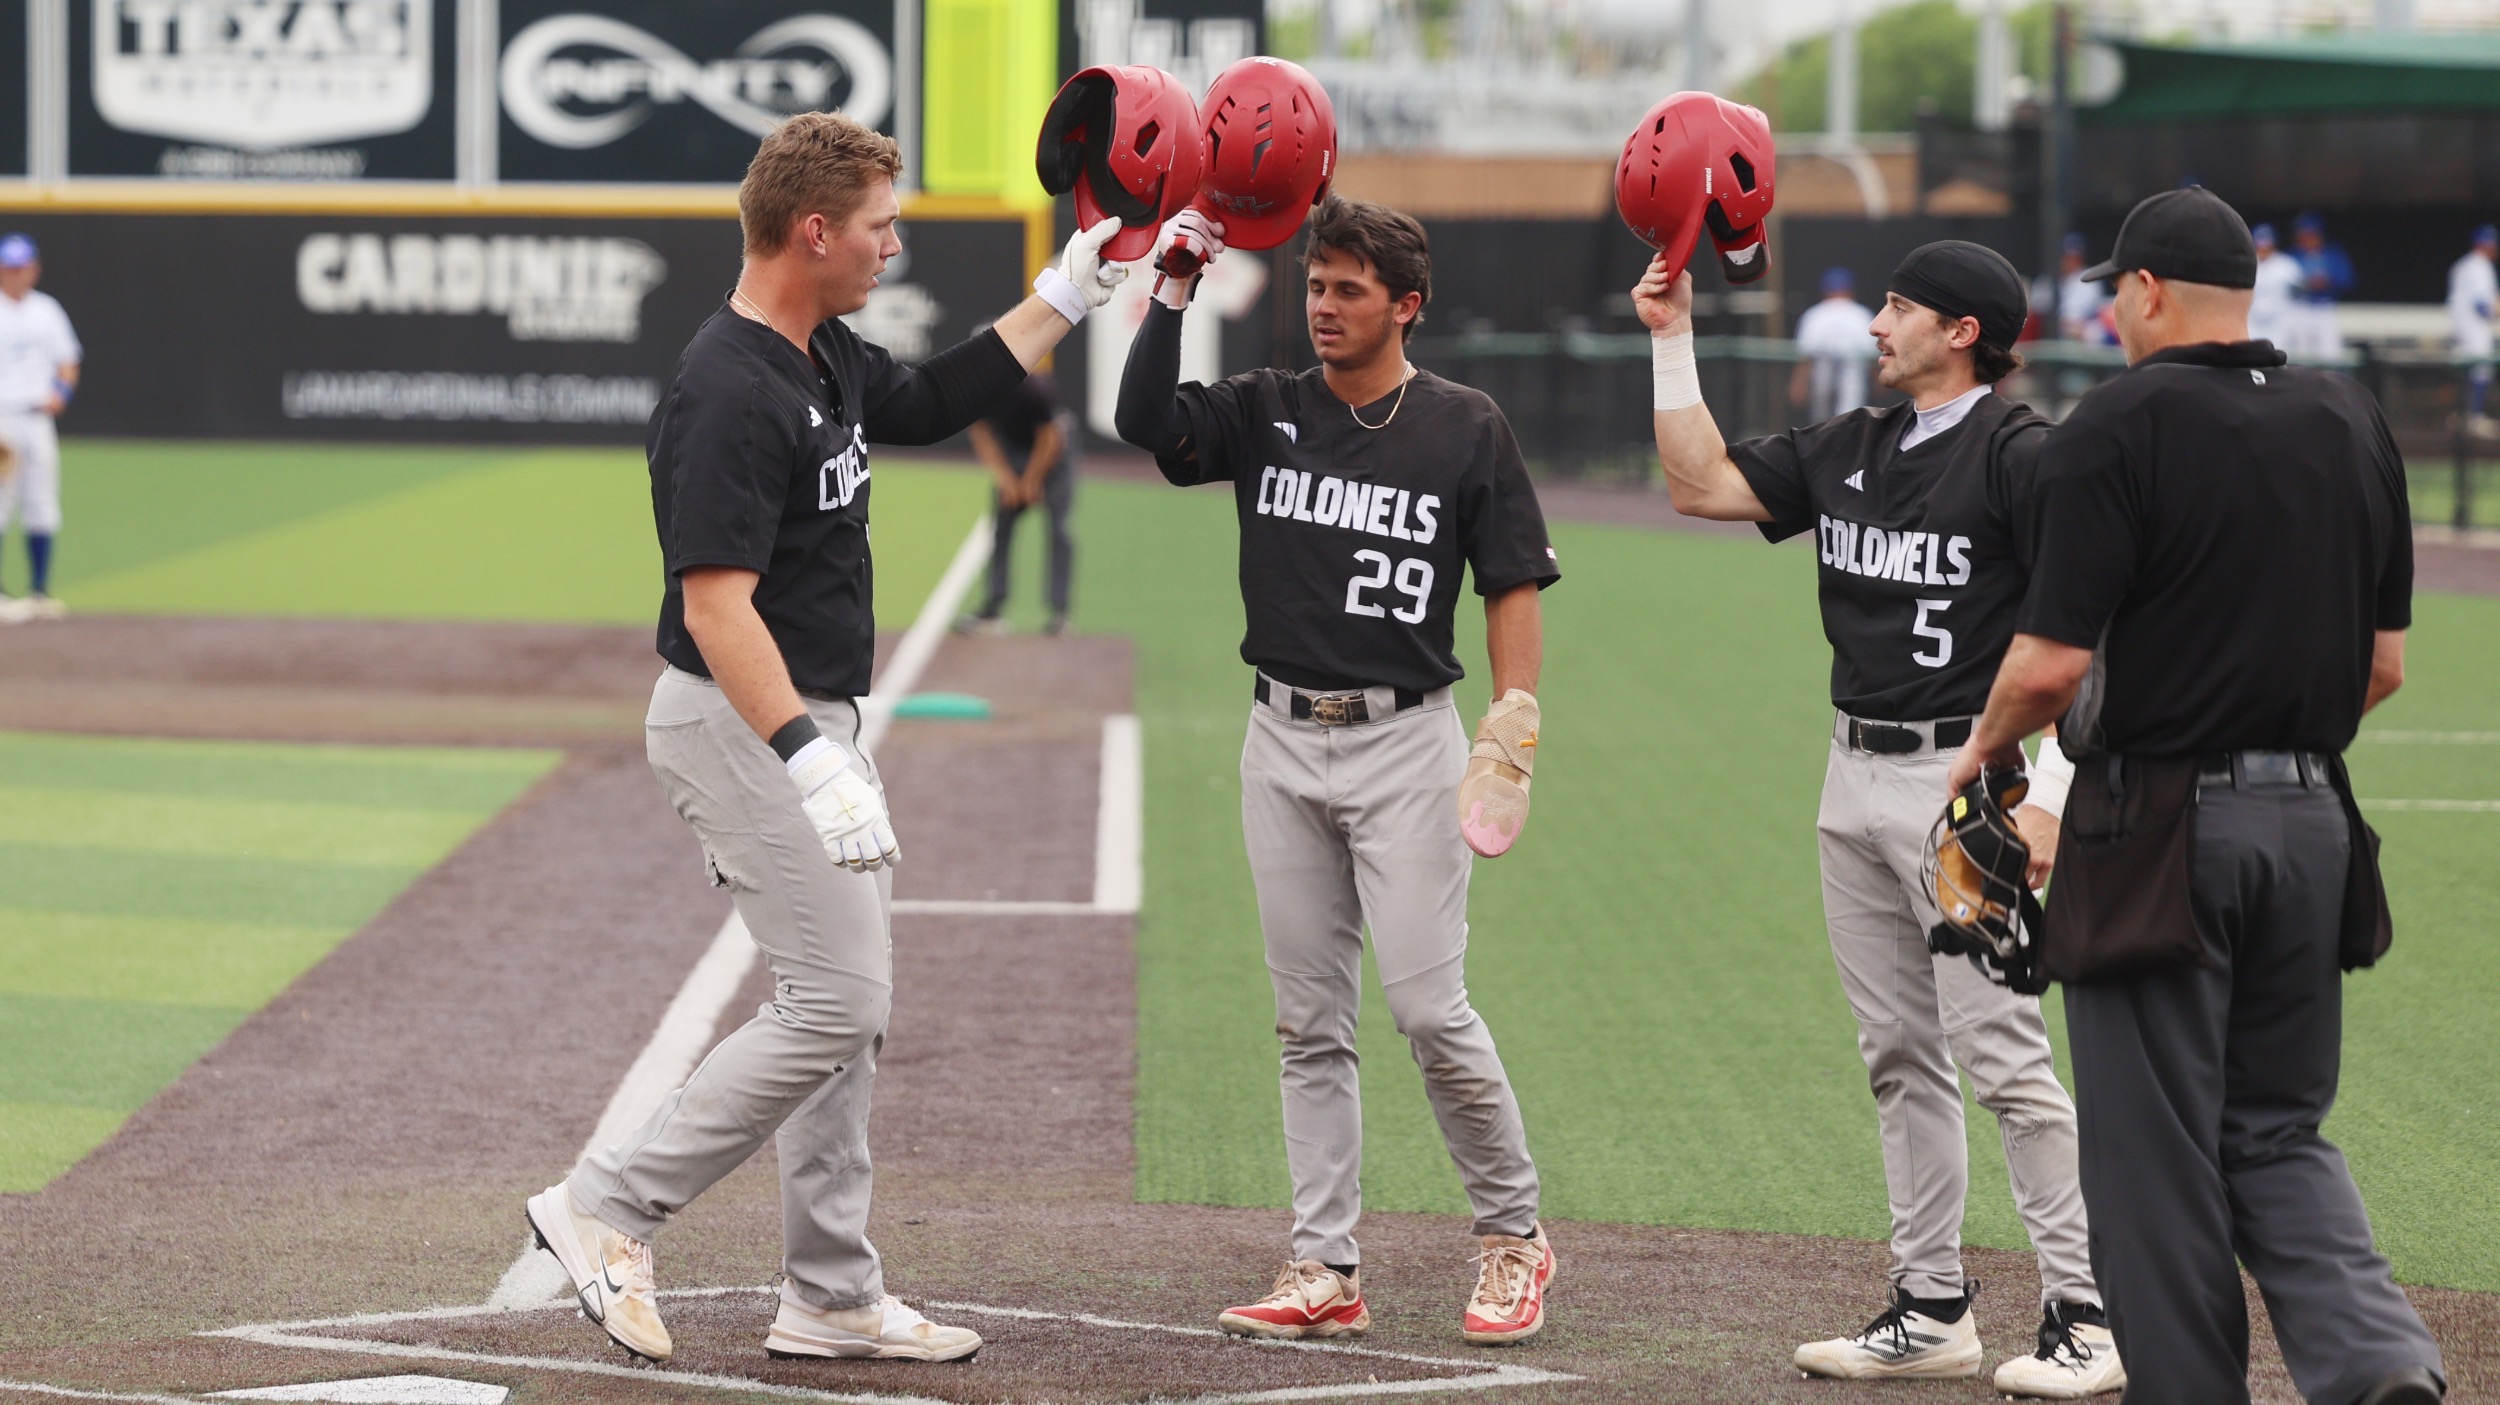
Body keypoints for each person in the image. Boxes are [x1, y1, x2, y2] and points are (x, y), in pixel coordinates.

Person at [522, 110, 1129, 1367]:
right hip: (742, 721)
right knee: (839, 996)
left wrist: (1068, 290)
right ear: (814, 231)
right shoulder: (729, 386)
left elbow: (931, 395)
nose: (892, 246)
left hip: (801, 721)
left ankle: (829, 1292)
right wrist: (808, 751)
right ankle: (603, 1206)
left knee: (845, 1008)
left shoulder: (820, 351)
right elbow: (713, 604)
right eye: (878, 227)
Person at [1950, 185, 2445, 1405]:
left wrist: (1977, 757)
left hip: (2159, 828)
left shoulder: (2111, 425)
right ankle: (2377, 1360)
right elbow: (2383, 666)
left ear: (2148, 292)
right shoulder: (2349, 417)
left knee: (2153, 1162)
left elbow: (2055, 661)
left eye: (2116, 289)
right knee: (2276, 1128)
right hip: (2313, 824)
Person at [1637, 239, 2122, 1399]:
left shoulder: (2024, 455)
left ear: (1962, 331)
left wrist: (2048, 791)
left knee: (2002, 1057)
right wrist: (1669, 338)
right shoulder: (1852, 446)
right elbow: (1699, 483)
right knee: (1897, 1052)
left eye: (1897, 307)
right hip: (1850, 774)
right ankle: (1931, 1303)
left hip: (1972, 782)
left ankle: (2088, 1313)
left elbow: (2090, 636)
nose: (1874, 323)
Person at [1115, 197, 1562, 1347]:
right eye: (1316, 285)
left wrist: (1511, 726)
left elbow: (1510, 580)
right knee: (1307, 1020)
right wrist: (1171, 286)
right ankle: (1322, 1263)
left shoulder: (1465, 426)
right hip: (1279, 737)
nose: (1322, 305)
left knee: (1426, 1005)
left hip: (1407, 739)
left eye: (1349, 288)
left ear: (1405, 304)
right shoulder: (1265, 408)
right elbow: (1141, 418)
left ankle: (1512, 1235)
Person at [955, 367, 1076, 634]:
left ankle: (1060, 614)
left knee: (1060, 530)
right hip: (1013, 453)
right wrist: (1007, 480)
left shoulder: (1034, 389)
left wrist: (1032, 481)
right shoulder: (978, 393)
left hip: (1055, 456)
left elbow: (1050, 438)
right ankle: (993, 609)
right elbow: (982, 434)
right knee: (1001, 529)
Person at [0, 233, 80, 624]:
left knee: (42, 502)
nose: (17, 274)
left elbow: (68, 360)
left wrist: (61, 392)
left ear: (35, 269)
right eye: (10, 267)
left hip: (38, 418)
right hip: (2, 417)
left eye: (23, 267)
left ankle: (39, 591)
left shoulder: (46, 310)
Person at [1792, 267, 1877, 420]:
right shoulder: (1860, 313)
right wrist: (1878, 380)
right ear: (1850, 290)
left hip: (1823, 371)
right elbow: (1871, 355)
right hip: (1852, 372)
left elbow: (1805, 357)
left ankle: (1823, 442)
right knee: (1850, 417)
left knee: (1821, 421)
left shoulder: (1815, 314)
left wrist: (1798, 384)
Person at [2447, 224, 2497, 437]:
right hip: (2474, 326)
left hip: (2459, 326)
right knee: (2480, 370)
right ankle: (2474, 417)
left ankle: (2461, 416)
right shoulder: (2480, 266)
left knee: (2465, 371)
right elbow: (2482, 305)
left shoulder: (2463, 264)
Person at [2287, 211, 2354, 361]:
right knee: (2300, 352)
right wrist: (2307, 284)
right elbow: (2285, 287)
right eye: (2303, 234)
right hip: (2300, 307)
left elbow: (2347, 280)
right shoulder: (2292, 256)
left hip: (2325, 306)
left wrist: (2327, 282)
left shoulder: (2333, 254)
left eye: (2311, 233)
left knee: (2329, 352)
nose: (2307, 238)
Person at [2248, 223, 2302, 351]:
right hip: (2253, 320)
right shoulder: (2248, 264)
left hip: (2280, 321)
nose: (2263, 248)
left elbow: (2299, 293)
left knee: (2281, 354)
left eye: (2266, 244)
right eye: (2260, 244)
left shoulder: (2287, 265)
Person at [2055, 233, 2112, 346]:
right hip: (2055, 338)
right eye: (2067, 256)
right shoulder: (2049, 279)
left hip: (2080, 340)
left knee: (2093, 332)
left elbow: (2076, 322)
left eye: (2075, 257)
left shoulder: (2089, 279)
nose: (2070, 260)